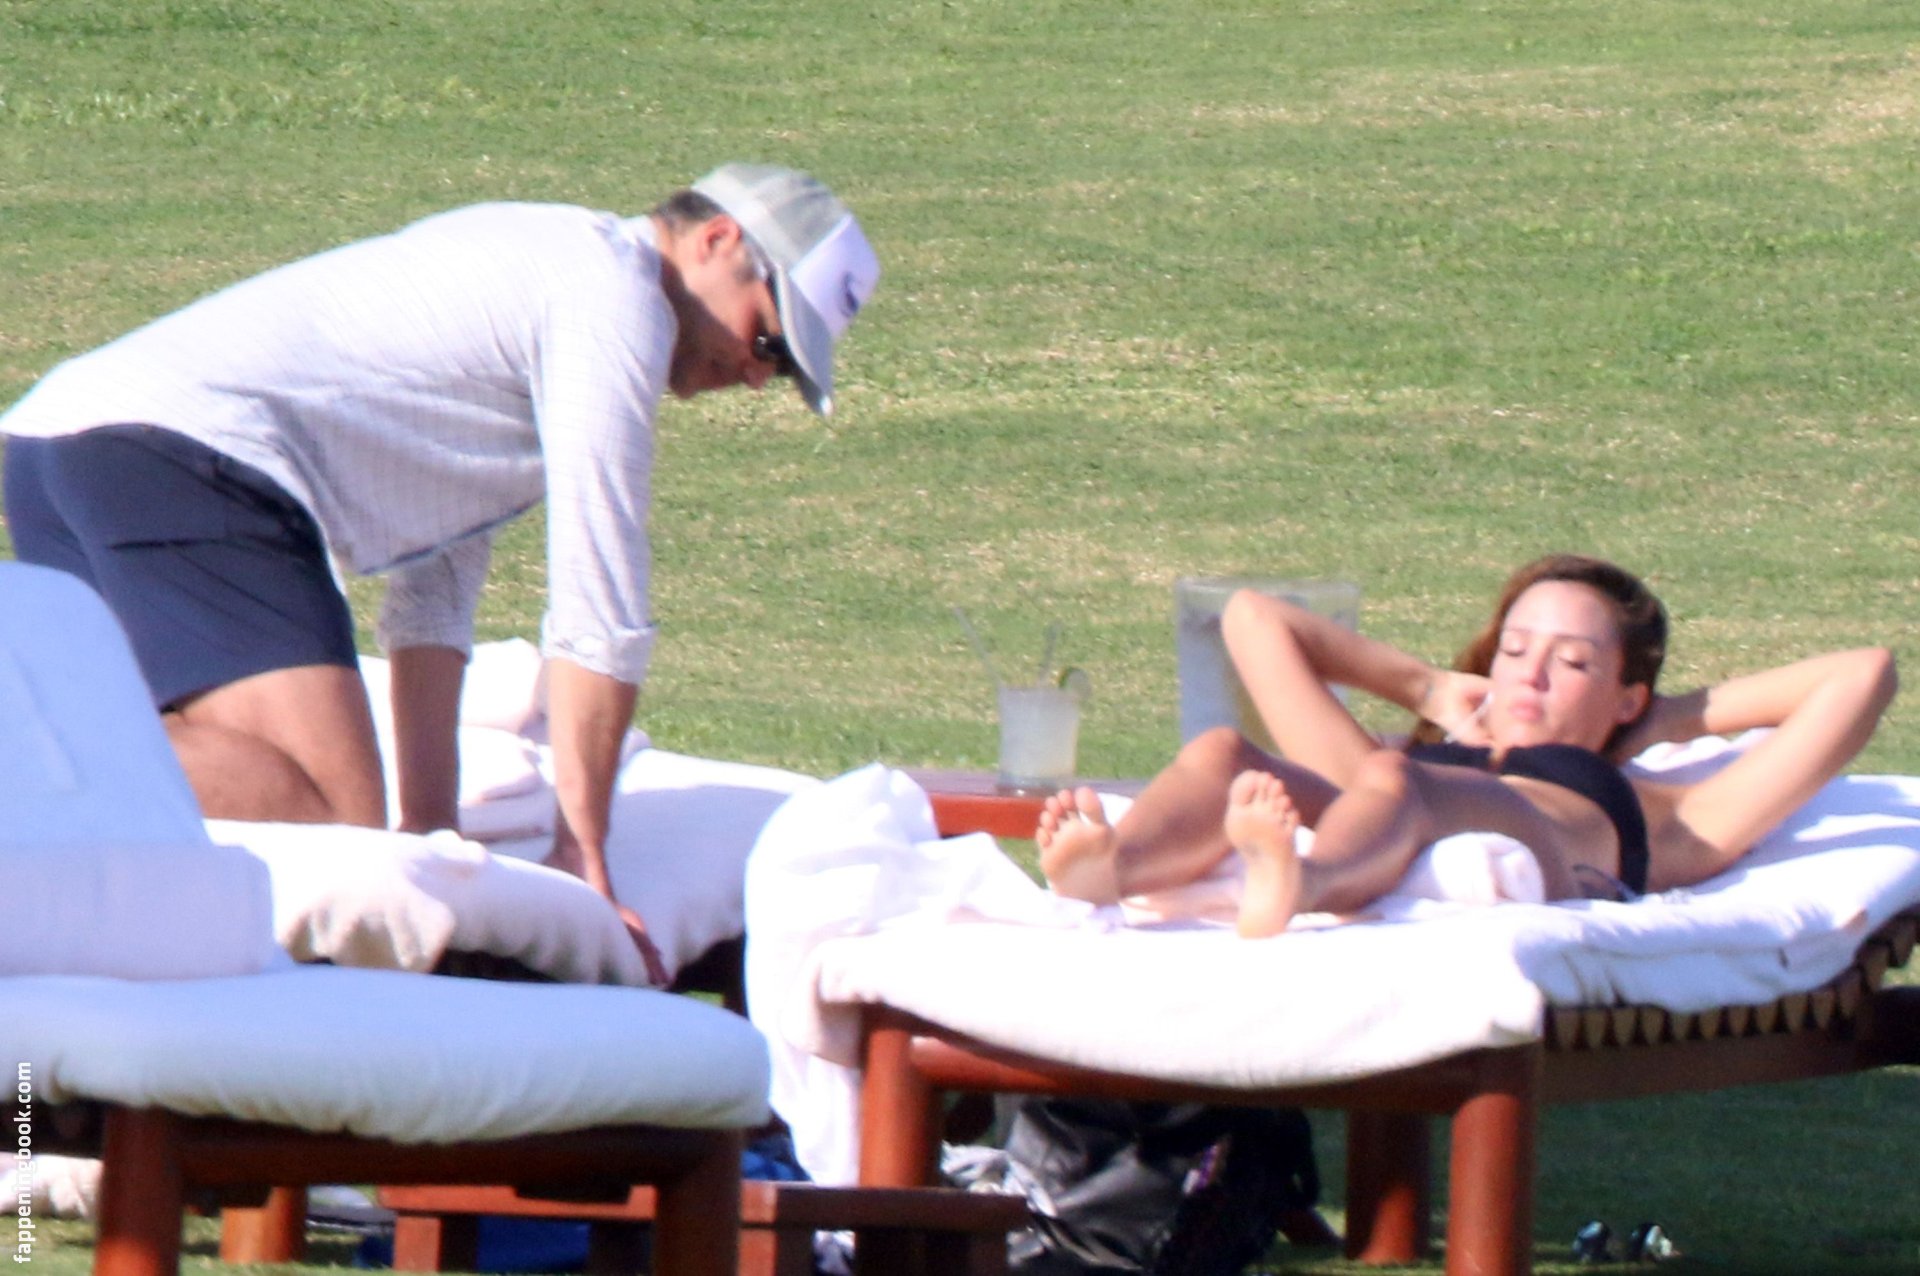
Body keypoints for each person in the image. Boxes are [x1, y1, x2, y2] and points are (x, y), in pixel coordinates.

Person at [1, 163, 881, 982]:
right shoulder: (618, 300)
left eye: (783, 371)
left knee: (164, 772)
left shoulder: (553, 268)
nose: (756, 376)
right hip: (179, 456)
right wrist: (584, 865)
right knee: (330, 813)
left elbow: (434, 592)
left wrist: (429, 826)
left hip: (59, 446)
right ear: (718, 240)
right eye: (768, 339)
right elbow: (599, 604)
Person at [1036, 555, 1896, 937]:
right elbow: (1253, 620)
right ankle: (1116, 868)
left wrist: (1663, 719)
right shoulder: (1407, 766)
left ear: (1624, 694)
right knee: (1226, 752)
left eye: (1573, 663)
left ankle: (1304, 883)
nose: (1532, 674)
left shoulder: (1674, 812)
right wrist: (1425, 689)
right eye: (1514, 650)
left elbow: (1864, 674)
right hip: (1385, 814)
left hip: (1530, 843)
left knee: (1391, 774)